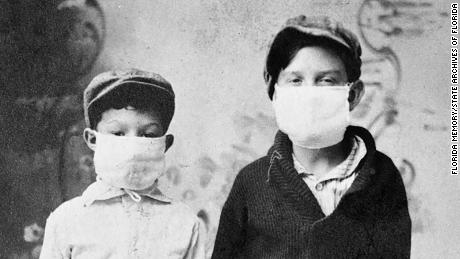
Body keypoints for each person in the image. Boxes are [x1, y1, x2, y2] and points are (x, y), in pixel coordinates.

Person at [212, 15, 411, 259]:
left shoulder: (382, 178)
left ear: (353, 94)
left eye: (326, 80)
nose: (310, 94)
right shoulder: (251, 183)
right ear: (274, 89)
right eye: (295, 80)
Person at [40, 69, 205, 258]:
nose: (133, 146)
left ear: (164, 144)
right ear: (93, 139)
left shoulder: (184, 223)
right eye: (118, 133)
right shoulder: (66, 220)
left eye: (148, 134)